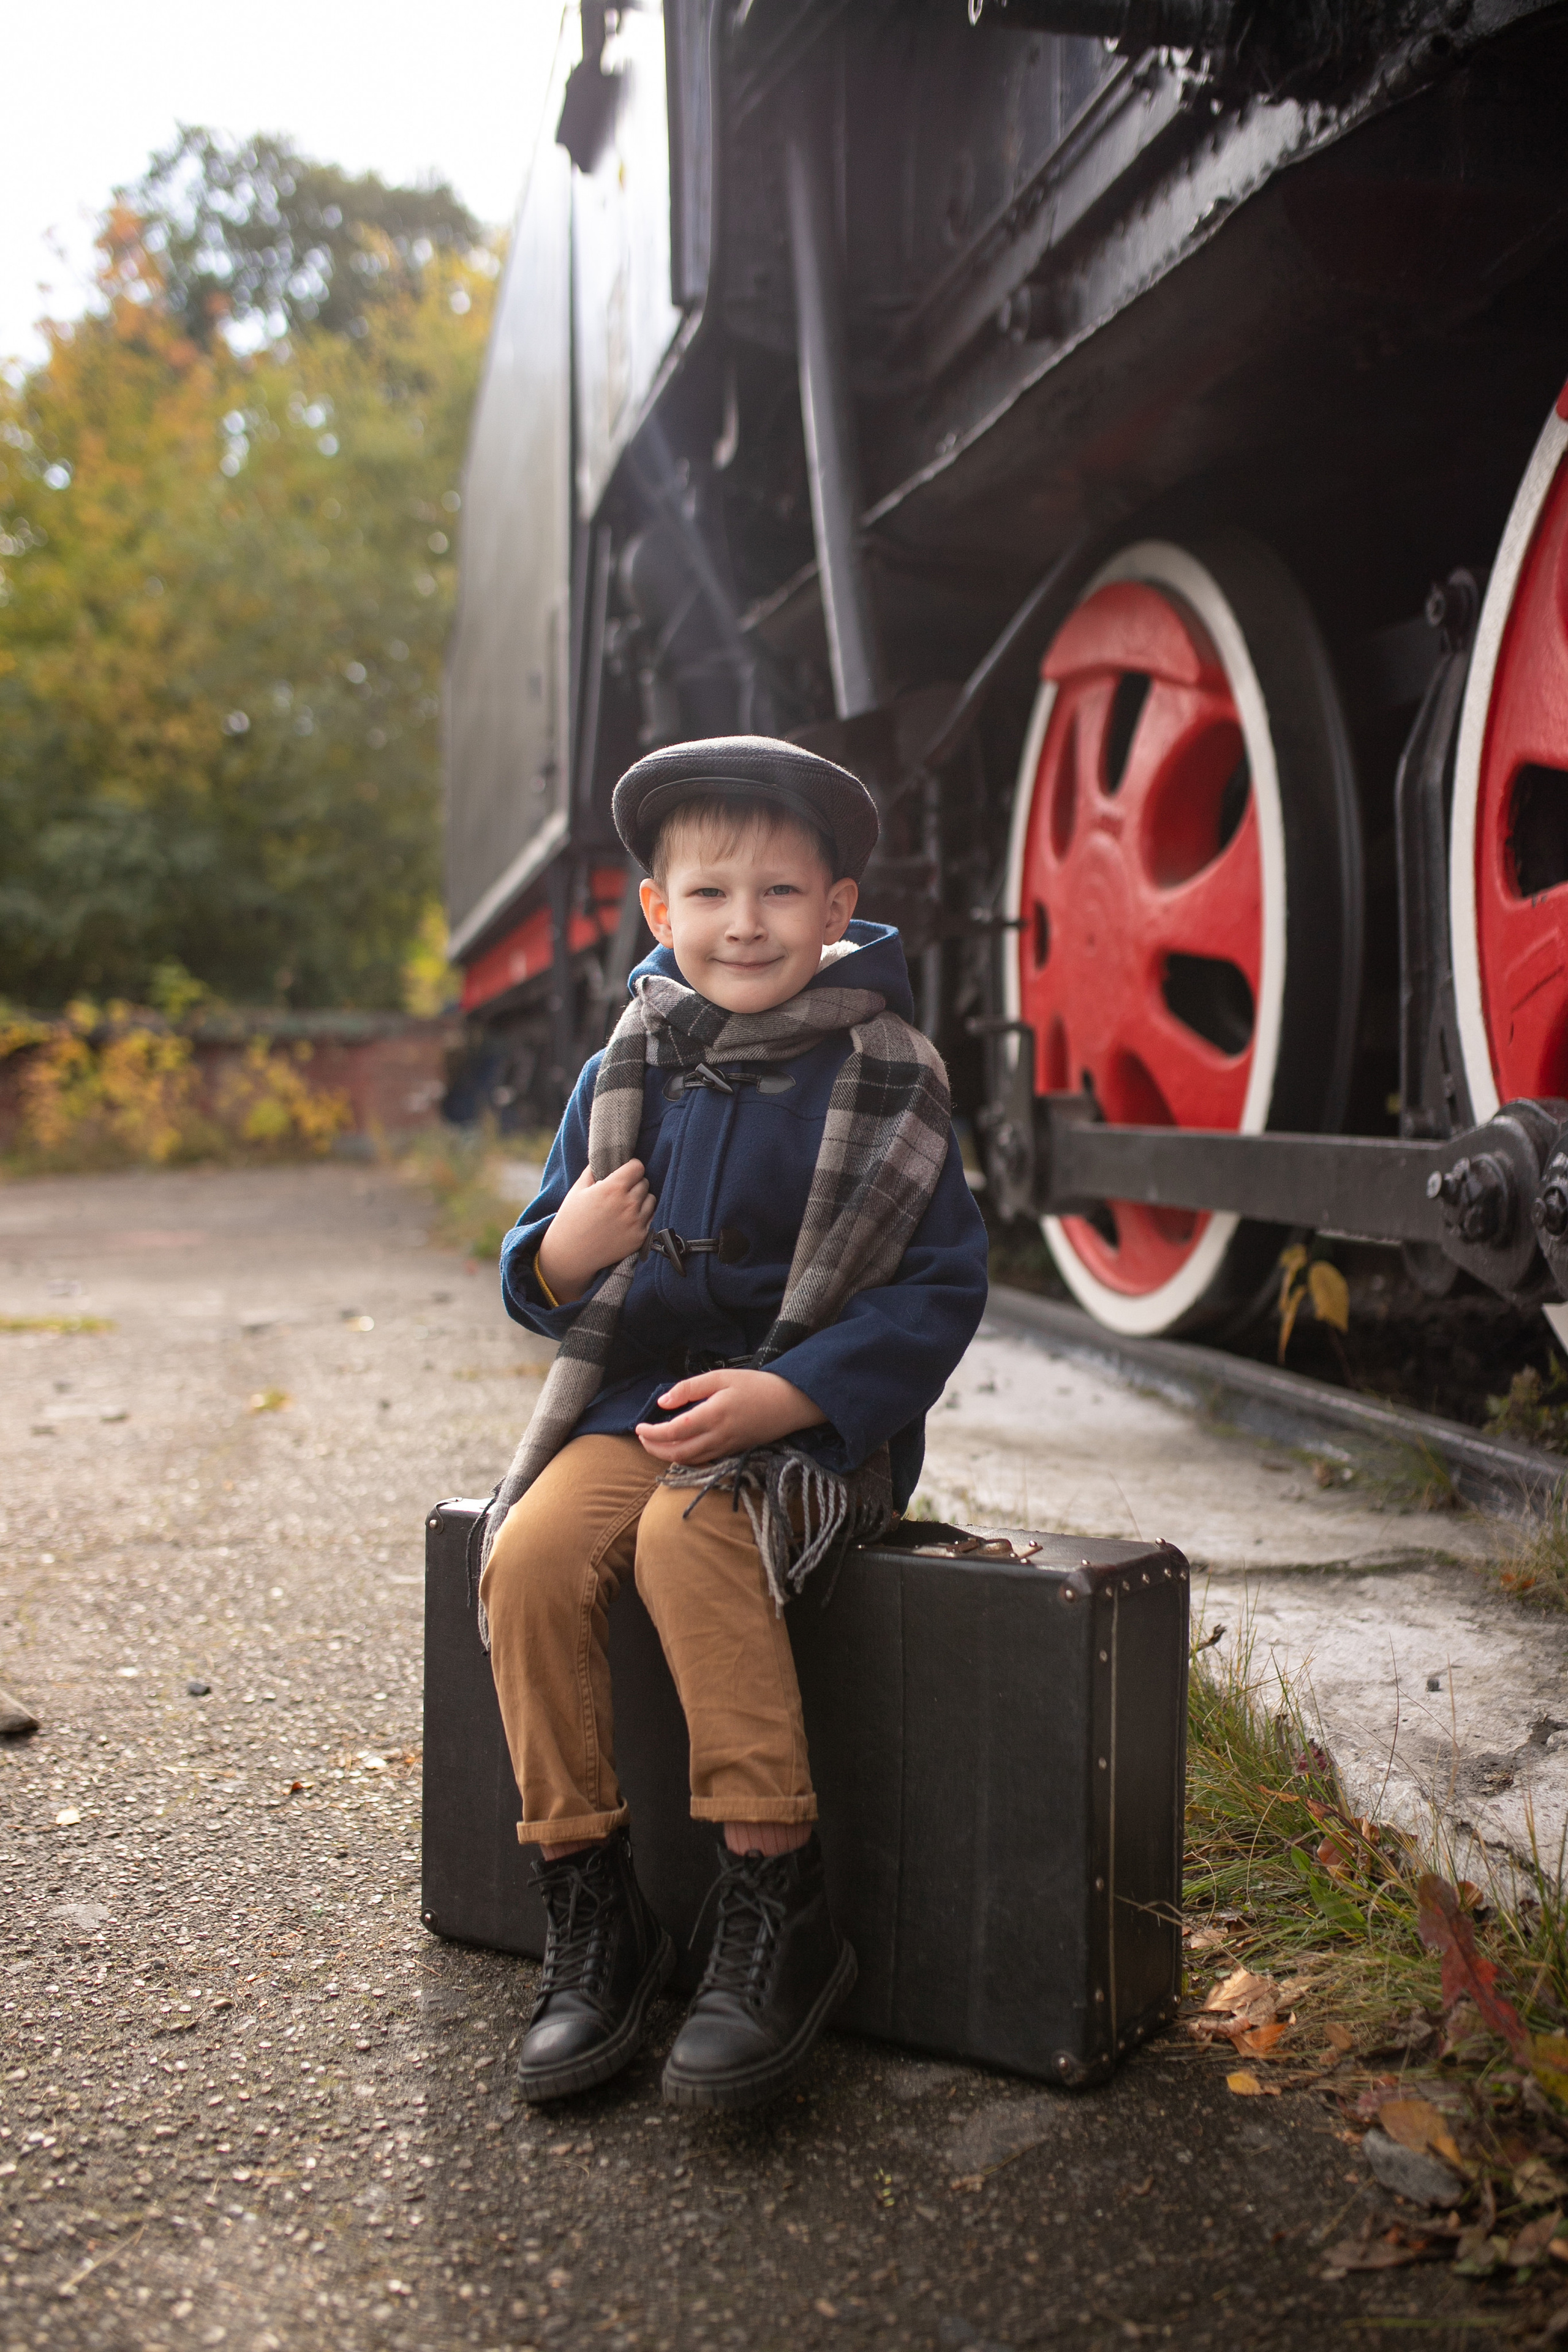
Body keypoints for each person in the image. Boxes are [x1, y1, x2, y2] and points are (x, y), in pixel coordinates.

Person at [478, 734, 989, 2111]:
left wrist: (794, 1390)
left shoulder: (888, 1071)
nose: (743, 923)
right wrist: (570, 1249)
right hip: (637, 1407)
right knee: (528, 1558)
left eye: (778, 893)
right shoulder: (625, 1062)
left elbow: (942, 1289)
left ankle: (775, 1900)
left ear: (837, 909)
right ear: (657, 911)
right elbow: (531, 1277)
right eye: (708, 894)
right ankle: (593, 1907)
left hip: (802, 1420)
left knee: (691, 1540)